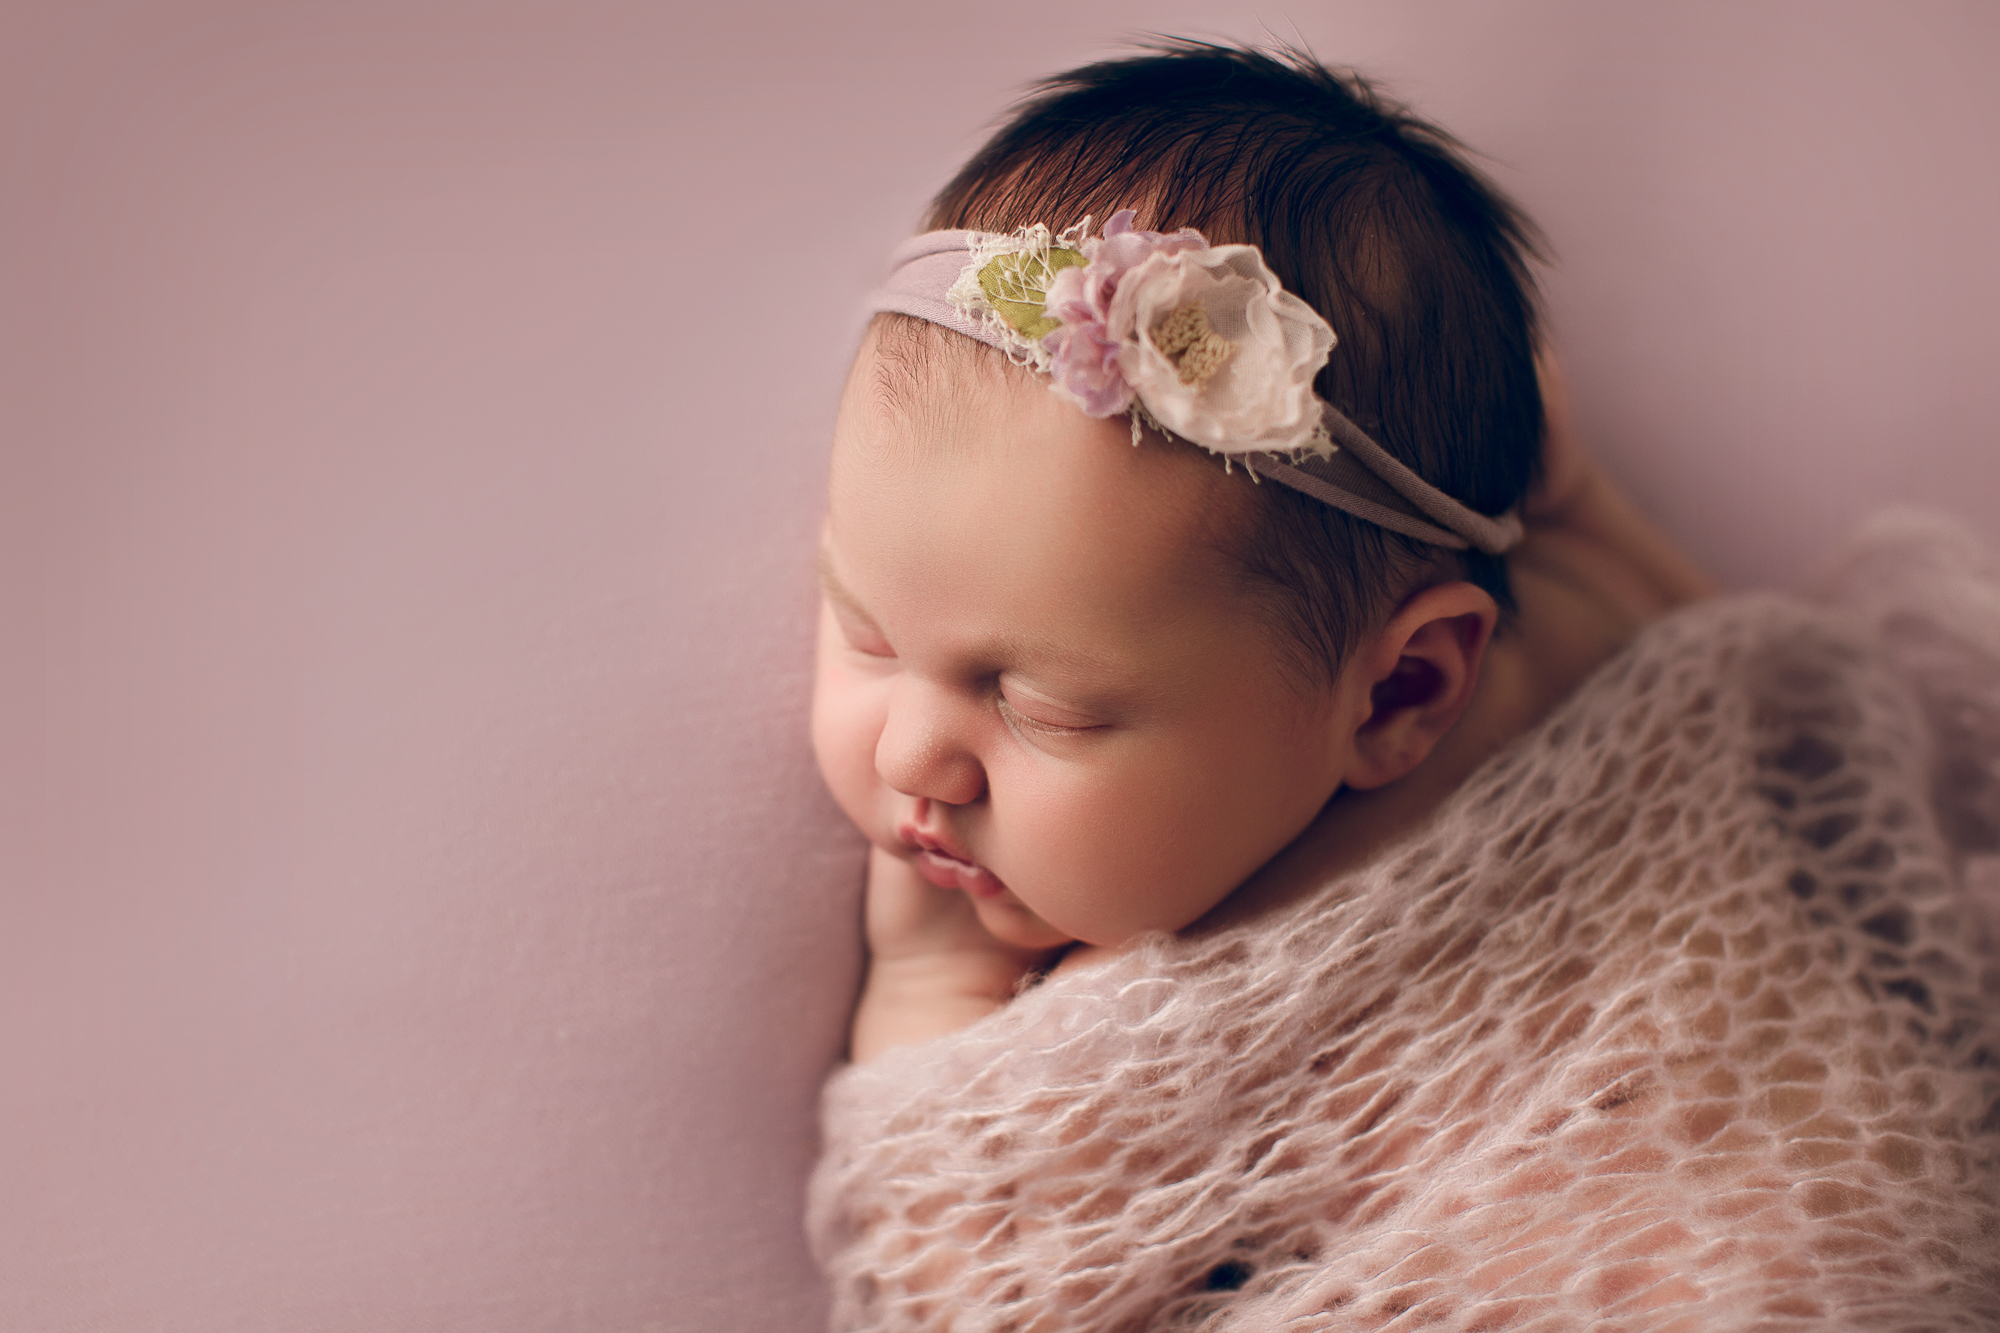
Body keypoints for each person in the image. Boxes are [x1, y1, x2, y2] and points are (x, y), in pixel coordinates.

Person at [807, 41, 2000, 1331]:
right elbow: (1718, 640)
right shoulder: (1585, 624)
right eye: (864, 632)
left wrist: (924, 988)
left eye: (1045, 709)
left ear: (1400, 693)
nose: (912, 754)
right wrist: (1588, 505)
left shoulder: (1166, 1024)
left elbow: (971, 1290)